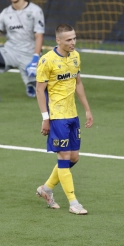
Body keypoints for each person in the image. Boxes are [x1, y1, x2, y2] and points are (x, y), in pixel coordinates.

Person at [35, 23, 94, 215]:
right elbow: (39, 90)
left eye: (74, 38)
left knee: (74, 158)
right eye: (68, 39)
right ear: (58, 40)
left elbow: (78, 84)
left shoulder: (76, 57)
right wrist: (46, 118)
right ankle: (73, 202)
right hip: (57, 116)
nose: (73, 42)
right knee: (64, 157)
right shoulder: (47, 60)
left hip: (72, 115)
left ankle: (46, 188)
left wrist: (87, 110)